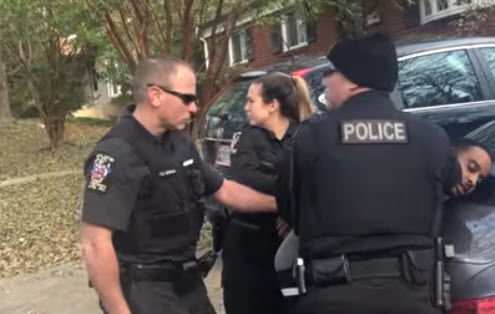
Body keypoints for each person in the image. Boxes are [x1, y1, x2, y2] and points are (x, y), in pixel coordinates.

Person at [275, 32, 461, 314]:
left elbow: (290, 210)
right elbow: (454, 187)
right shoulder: (432, 136)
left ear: (351, 80)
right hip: (414, 296)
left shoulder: (311, 137)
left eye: (332, 73)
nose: (326, 81)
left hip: (332, 295)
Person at [80, 56, 277, 314]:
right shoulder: (117, 153)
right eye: (187, 99)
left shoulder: (179, 142)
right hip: (145, 291)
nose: (194, 107)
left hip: (187, 283)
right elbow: (94, 243)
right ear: (155, 95)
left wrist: (279, 204)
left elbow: (224, 189)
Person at [222, 72, 314, 314]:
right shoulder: (247, 137)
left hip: (292, 247)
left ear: (272, 105)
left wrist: (291, 209)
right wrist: (288, 201)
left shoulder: (306, 134)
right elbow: (245, 177)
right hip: (249, 249)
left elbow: (319, 180)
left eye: (252, 101)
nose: (246, 107)